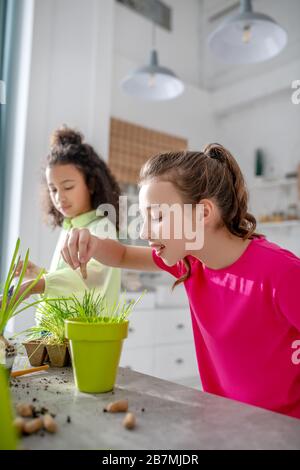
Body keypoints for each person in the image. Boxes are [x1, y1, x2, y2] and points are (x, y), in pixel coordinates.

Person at [61, 143, 300, 419]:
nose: (144, 230)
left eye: (158, 217)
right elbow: (123, 254)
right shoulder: (191, 262)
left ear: (204, 213)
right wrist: (88, 241)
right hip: (225, 423)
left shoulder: (282, 272)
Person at [15, 126, 121, 306]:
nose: (59, 197)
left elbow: (91, 281)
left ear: (91, 184)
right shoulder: (69, 227)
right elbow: (69, 288)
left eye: (68, 187)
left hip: (87, 334)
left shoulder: (101, 227)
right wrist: (39, 275)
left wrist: (34, 285)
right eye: (53, 189)